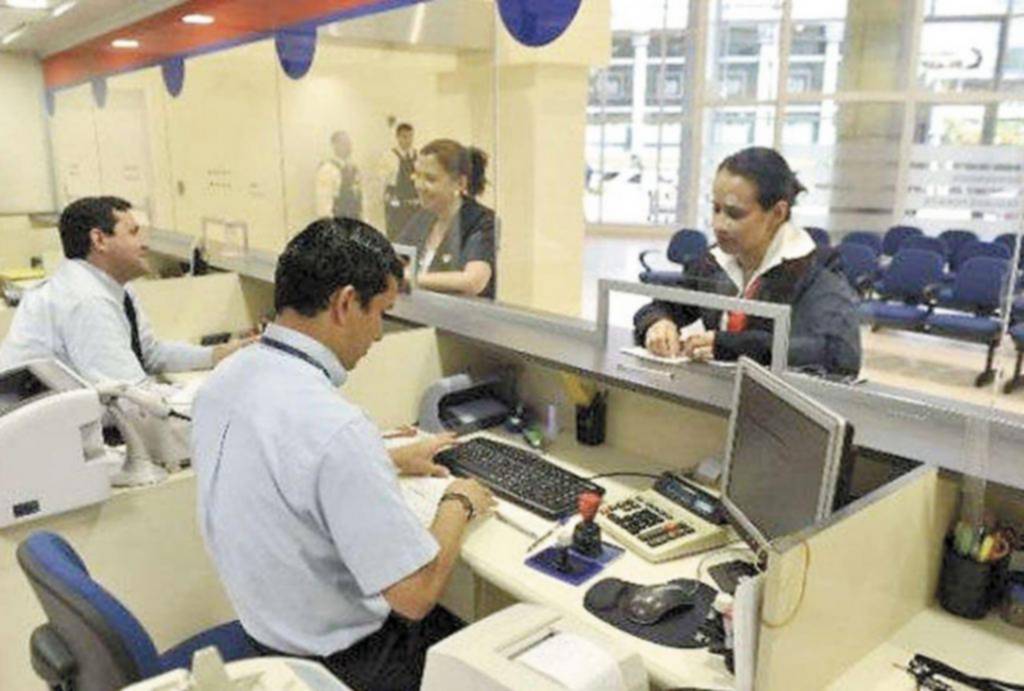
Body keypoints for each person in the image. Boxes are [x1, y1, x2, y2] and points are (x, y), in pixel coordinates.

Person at [191, 217, 496, 691]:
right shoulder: (336, 428)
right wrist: (459, 501)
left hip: (268, 636)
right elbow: (414, 596)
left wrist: (386, 460)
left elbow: (283, 466)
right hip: (348, 665)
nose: (379, 334)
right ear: (346, 303)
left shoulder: (226, 380)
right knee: (490, 644)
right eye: (381, 313)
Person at [634, 147, 861, 376]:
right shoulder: (714, 262)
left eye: (734, 214)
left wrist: (732, 347)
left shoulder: (817, 270)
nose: (719, 224)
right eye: (716, 209)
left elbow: (837, 354)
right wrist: (657, 323)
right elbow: (664, 305)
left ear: (778, 213)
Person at [0, 196, 248, 384]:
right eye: (133, 233)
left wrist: (219, 354)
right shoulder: (87, 300)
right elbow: (129, 397)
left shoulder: (111, 285)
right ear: (99, 240)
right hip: (43, 429)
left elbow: (150, 354)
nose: (145, 244)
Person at [396, 138, 496, 299]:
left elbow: (473, 281)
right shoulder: (422, 218)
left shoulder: (481, 221)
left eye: (430, 179)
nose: (419, 186)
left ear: (460, 183)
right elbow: (394, 261)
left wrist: (410, 278)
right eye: (417, 176)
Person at [380, 122, 420, 238]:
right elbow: (383, 181)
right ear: (398, 137)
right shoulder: (389, 157)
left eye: (410, 136)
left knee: (414, 235)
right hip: (396, 201)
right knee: (396, 234)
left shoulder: (417, 156)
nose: (408, 140)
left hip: (413, 202)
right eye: (404, 137)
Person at [315, 131, 363, 220]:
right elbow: (324, 201)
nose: (348, 147)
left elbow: (359, 198)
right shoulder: (328, 169)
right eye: (343, 143)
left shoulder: (354, 169)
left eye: (349, 144)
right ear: (334, 146)